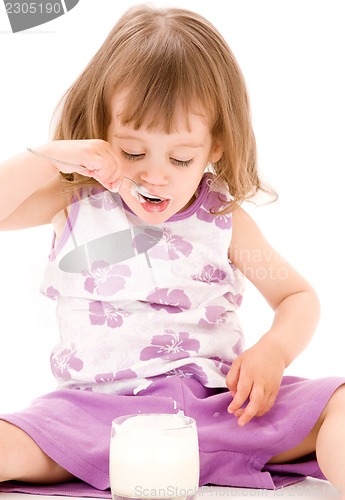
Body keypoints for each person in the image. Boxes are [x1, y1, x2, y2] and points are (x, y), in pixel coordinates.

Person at [0, 3, 344, 498]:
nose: (154, 175)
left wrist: (273, 353)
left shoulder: (224, 220)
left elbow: (297, 297)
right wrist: (53, 157)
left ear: (215, 148)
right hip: (96, 420)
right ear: (99, 131)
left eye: (181, 158)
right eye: (133, 152)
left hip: (219, 412)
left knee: (340, 402)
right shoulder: (74, 200)